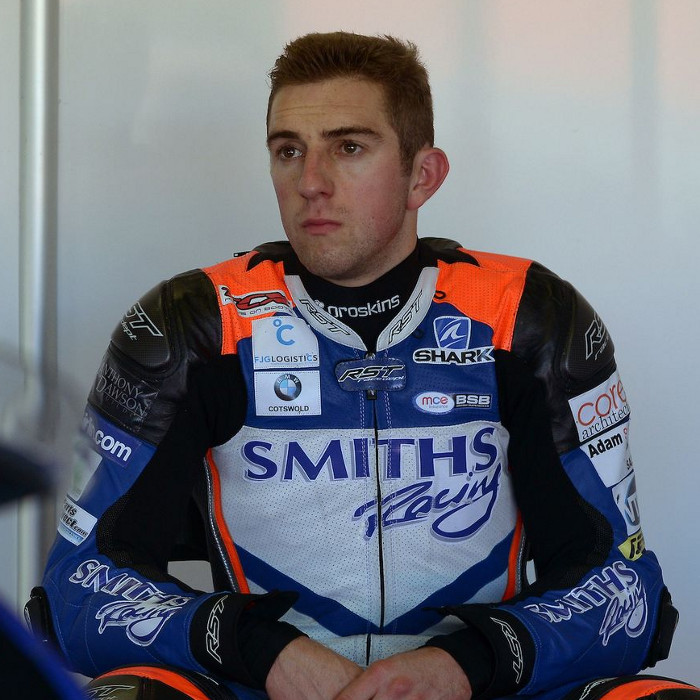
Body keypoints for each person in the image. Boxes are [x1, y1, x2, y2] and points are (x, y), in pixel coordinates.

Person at [28, 31, 698, 700]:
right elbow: (77, 586)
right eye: (288, 150)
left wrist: (467, 665)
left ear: (422, 175)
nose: (310, 183)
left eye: (348, 147)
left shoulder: (526, 317)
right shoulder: (194, 326)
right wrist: (262, 652)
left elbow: (623, 586)